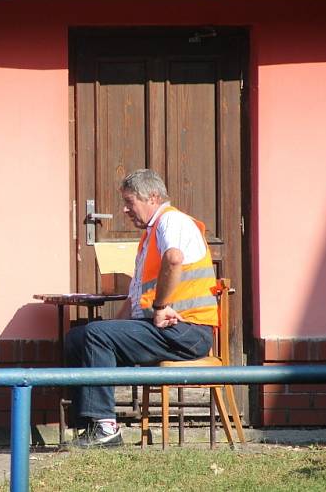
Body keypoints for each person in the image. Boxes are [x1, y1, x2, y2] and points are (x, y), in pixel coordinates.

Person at [65, 168, 218, 448]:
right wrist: (110, 329)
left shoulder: (171, 222)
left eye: (130, 201)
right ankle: (88, 425)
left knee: (95, 335)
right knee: (79, 337)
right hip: (163, 329)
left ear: (153, 197)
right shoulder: (151, 235)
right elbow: (136, 297)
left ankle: (105, 429)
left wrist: (161, 306)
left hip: (188, 329)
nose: (125, 209)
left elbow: (174, 260)